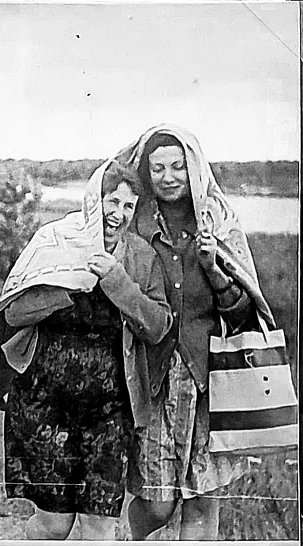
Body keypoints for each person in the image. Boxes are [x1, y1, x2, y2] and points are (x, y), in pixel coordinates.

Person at [0, 160, 173, 539]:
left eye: (129, 207)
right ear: (94, 200)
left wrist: (118, 283)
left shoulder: (142, 257)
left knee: (100, 526)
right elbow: (14, 312)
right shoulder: (56, 240)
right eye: (112, 202)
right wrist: (68, 286)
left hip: (110, 409)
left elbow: (159, 327)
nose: (118, 215)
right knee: (54, 525)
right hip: (45, 403)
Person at [117, 124, 274, 540]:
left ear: (195, 170)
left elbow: (244, 314)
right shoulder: (131, 222)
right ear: (146, 174)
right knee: (157, 503)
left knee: (203, 504)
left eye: (178, 167)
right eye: (158, 168)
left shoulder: (219, 223)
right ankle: (122, 539)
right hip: (150, 382)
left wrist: (212, 268)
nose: (169, 177)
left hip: (210, 381)